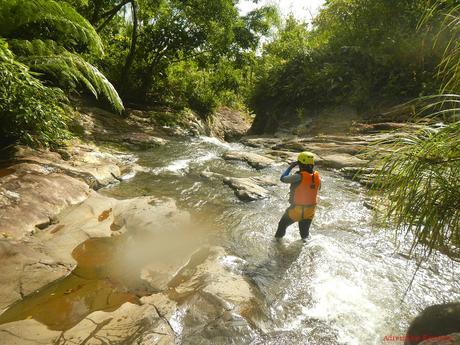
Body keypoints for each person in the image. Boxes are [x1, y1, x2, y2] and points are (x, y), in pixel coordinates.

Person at [275, 151, 321, 241]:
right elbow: (317, 189)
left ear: (300, 164)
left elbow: (283, 178)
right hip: (310, 211)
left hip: (297, 210)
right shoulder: (317, 177)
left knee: (282, 225)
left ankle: (276, 245)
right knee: (304, 236)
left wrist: (291, 167)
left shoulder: (298, 176)